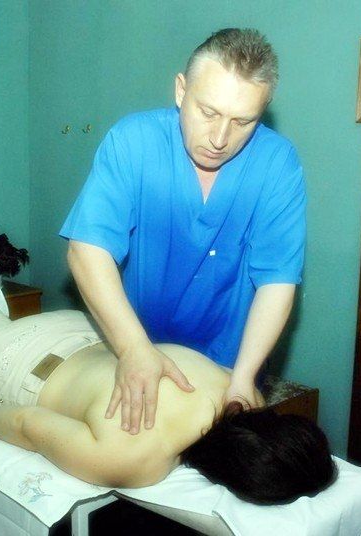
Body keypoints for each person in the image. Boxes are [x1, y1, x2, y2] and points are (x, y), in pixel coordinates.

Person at [0, 273, 334, 503]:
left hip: (79, 332)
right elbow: (27, 424)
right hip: (19, 367)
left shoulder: (235, 388)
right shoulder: (140, 459)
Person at [60, 28, 306, 435]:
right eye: (208, 112)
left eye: (242, 121)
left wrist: (244, 377)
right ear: (180, 90)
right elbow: (86, 251)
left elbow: (277, 281)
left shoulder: (277, 163)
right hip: (136, 344)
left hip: (228, 365)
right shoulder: (133, 142)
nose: (220, 138)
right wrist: (133, 348)